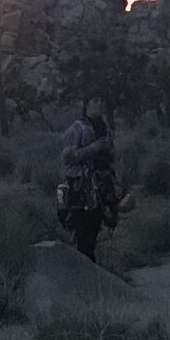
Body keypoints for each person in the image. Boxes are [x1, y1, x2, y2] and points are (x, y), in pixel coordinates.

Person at [56, 110, 119, 260]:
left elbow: (111, 155)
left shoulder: (104, 128)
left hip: (102, 183)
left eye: (102, 101)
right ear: (87, 104)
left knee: (95, 229)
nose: (100, 105)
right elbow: (68, 157)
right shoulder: (76, 128)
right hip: (81, 185)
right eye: (95, 100)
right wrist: (95, 147)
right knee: (83, 232)